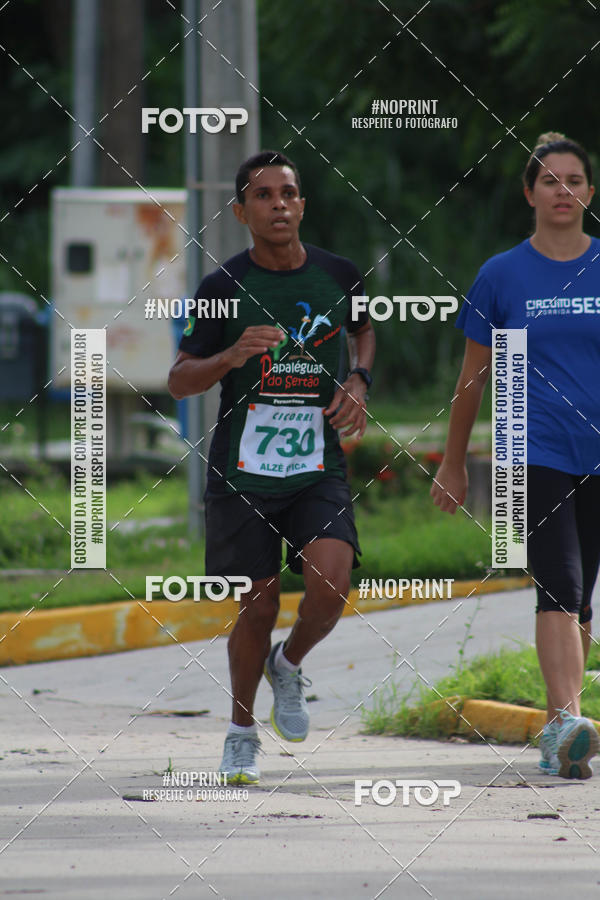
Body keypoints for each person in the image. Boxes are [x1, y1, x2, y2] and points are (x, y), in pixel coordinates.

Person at [168, 150, 375, 784]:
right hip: (243, 474)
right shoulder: (222, 289)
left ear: (303, 205)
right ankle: (239, 731)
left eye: (288, 193)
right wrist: (231, 354)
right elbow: (179, 381)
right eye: (263, 195)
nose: (278, 203)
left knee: (332, 582)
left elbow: (364, 329)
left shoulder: (340, 276)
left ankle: (288, 663)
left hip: (316, 465)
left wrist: (359, 380)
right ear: (241, 212)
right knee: (255, 610)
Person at [431, 132, 600, 779]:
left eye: (574, 180)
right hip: (533, 447)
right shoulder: (502, 275)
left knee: (580, 599)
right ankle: (563, 724)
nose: (563, 191)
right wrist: (452, 461)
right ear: (529, 192)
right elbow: (472, 379)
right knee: (558, 584)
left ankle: (566, 720)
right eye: (550, 180)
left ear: (590, 192)